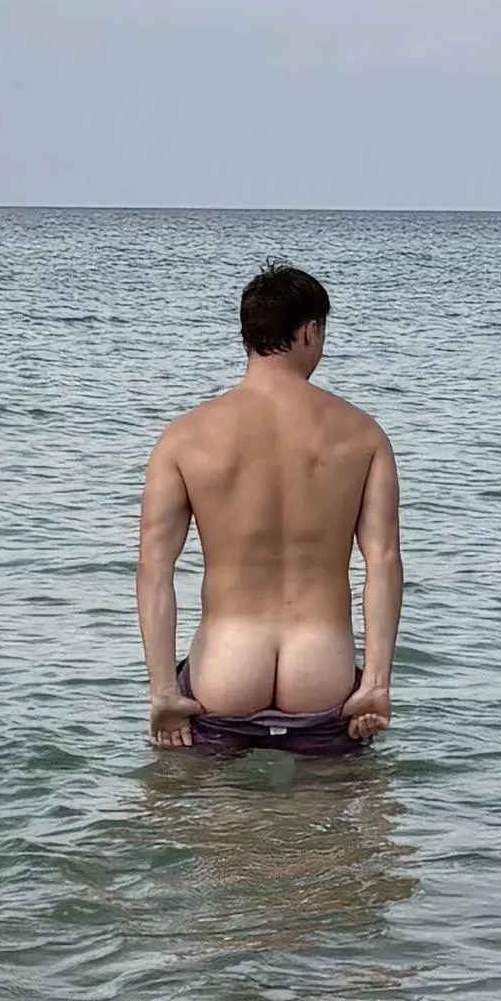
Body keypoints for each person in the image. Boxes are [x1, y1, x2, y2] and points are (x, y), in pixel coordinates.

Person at [138, 264, 400, 755]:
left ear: (248, 335)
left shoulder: (184, 437)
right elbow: (382, 562)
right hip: (321, 670)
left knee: (202, 822)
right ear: (310, 331)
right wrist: (376, 684)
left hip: (225, 668)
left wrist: (164, 692)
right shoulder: (363, 435)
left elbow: (155, 569)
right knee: (339, 827)